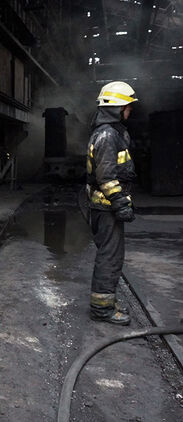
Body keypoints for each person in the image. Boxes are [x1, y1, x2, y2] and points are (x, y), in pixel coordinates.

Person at [86, 81, 138, 325]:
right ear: (116, 108)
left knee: (111, 255)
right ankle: (101, 309)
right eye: (127, 106)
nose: (130, 110)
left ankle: (107, 302)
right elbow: (106, 177)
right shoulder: (107, 136)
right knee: (110, 257)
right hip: (106, 207)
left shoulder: (110, 132)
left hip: (104, 207)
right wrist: (120, 203)